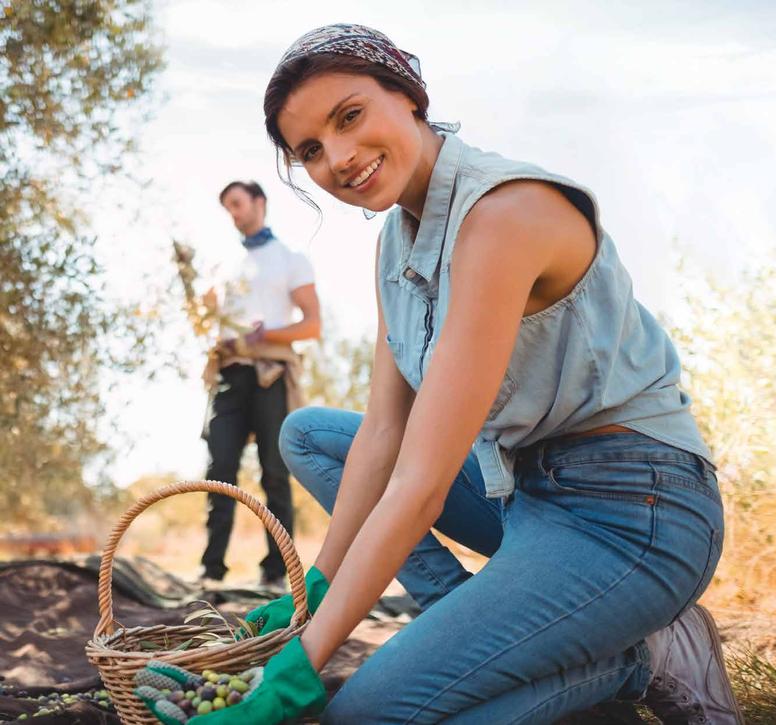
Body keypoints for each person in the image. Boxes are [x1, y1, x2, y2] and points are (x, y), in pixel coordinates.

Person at [144, 23, 742, 725]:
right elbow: (383, 436)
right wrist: (313, 594)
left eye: (350, 115)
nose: (339, 157)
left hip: (634, 511)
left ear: (410, 96)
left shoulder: (503, 215)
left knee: (369, 712)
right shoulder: (395, 244)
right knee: (312, 436)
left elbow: (420, 484)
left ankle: (640, 660)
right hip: (524, 492)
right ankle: (490, 632)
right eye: (310, 149)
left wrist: (300, 666)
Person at [197, 180, 322, 590]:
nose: (233, 213)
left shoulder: (290, 259)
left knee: (274, 469)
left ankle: (276, 570)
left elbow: (312, 324)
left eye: (237, 203)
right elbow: (205, 317)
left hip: (271, 373)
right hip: (230, 375)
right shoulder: (222, 263)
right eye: (226, 208)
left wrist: (265, 334)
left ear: (259, 203)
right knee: (219, 470)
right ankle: (211, 570)